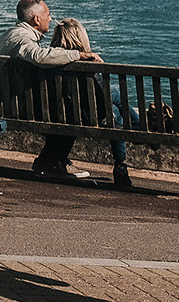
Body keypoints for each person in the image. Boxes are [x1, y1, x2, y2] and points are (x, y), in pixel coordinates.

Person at [0, 0, 101, 181]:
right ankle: (52, 161)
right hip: (7, 106)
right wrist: (78, 55)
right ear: (36, 19)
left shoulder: (9, 34)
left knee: (62, 107)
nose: (50, 18)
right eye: (48, 14)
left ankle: (54, 160)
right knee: (69, 112)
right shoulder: (23, 38)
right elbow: (38, 56)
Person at [49, 17, 136, 190]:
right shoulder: (87, 64)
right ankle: (124, 158)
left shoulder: (48, 60)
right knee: (114, 107)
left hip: (58, 113)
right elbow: (102, 97)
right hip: (84, 117)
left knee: (114, 102)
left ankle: (138, 126)